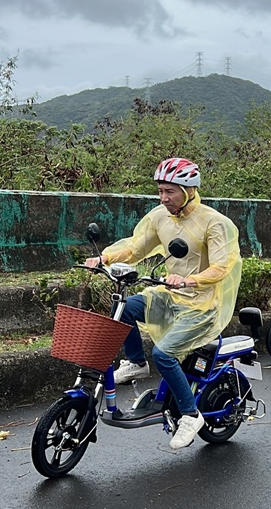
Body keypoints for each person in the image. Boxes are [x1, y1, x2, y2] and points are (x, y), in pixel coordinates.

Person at [87, 157, 241, 449]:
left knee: (164, 354)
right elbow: (135, 247)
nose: (163, 197)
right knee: (125, 308)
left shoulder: (214, 223)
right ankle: (135, 362)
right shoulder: (160, 216)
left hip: (201, 305)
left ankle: (191, 415)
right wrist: (104, 257)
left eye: (170, 191)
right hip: (170, 295)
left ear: (189, 189)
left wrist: (189, 280)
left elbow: (222, 267)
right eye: (160, 190)